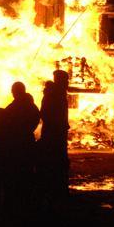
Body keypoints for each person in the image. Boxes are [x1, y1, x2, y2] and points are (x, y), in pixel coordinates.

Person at [3, 81, 40, 210]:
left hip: (17, 142)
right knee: (26, 169)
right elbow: (36, 118)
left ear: (18, 91)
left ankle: (19, 199)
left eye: (13, 91)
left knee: (17, 169)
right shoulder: (31, 106)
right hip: (26, 139)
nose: (12, 93)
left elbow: (6, 120)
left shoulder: (15, 107)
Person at [39, 70, 71, 200]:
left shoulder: (59, 93)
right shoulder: (53, 94)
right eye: (66, 80)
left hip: (57, 131)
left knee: (58, 160)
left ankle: (57, 188)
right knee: (55, 159)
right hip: (54, 132)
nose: (68, 82)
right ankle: (54, 189)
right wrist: (57, 124)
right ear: (60, 80)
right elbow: (45, 113)